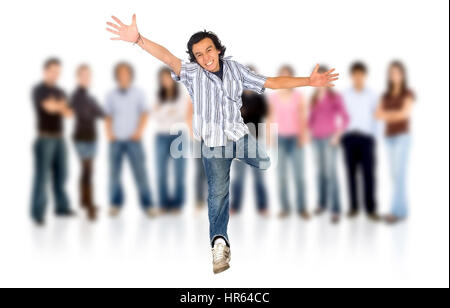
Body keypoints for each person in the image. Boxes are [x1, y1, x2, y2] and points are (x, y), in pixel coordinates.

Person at [106, 14, 338, 274]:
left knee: (264, 161)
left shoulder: (236, 69)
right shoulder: (192, 73)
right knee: (218, 195)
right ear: (194, 58)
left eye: (209, 50)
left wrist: (308, 81)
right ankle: (219, 244)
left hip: (239, 136)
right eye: (199, 54)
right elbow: (168, 57)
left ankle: (237, 156)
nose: (206, 58)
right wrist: (138, 39)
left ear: (217, 48)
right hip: (213, 146)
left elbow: (270, 83)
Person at [105, 62, 155, 217]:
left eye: (126, 73)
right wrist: (109, 133)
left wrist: (139, 132)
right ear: (117, 76)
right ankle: (115, 204)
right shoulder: (110, 95)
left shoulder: (139, 93)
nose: (123, 76)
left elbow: (145, 113)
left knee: (140, 173)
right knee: (114, 174)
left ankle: (148, 205)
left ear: (130, 75)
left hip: (134, 140)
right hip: (116, 140)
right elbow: (108, 115)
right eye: (120, 73)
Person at [30, 58, 74, 225]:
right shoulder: (39, 90)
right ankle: (38, 213)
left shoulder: (60, 91)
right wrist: (60, 106)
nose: (56, 74)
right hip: (45, 138)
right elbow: (49, 108)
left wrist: (59, 106)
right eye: (53, 71)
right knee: (42, 177)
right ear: (46, 71)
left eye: (58, 71)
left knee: (62, 174)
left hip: (60, 138)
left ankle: (61, 207)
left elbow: (69, 114)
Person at [267, 65, 310, 220]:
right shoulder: (273, 97)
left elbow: (303, 117)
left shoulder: (299, 96)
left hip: (296, 139)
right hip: (280, 139)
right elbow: (270, 118)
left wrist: (303, 136)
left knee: (299, 175)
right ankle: (284, 208)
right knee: (281, 176)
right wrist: (269, 139)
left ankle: (302, 208)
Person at [376, 61, 414, 224]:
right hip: (389, 137)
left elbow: (405, 114)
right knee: (395, 176)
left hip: (403, 137)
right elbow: (377, 115)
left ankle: (394, 212)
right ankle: (403, 210)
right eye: (391, 72)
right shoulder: (385, 95)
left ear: (403, 75)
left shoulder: (408, 93)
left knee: (399, 174)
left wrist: (388, 114)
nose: (394, 75)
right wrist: (393, 113)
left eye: (397, 72)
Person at [309, 66, 349, 224]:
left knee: (331, 173)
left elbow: (345, 118)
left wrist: (338, 135)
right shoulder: (313, 98)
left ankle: (336, 209)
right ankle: (321, 203)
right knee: (320, 173)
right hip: (316, 139)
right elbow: (311, 119)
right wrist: (309, 132)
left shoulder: (334, 97)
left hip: (330, 139)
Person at [342, 62, 380, 221]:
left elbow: (377, 117)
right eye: (355, 74)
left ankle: (371, 209)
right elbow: (340, 116)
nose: (358, 77)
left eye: (360, 74)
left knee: (369, 174)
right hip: (349, 137)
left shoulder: (372, 95)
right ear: (352, 76)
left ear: (364, 75)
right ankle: (353, 207)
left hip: (366, 138)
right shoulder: (344, 94)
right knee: (350, 174)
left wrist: (374, 136)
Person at [230, 65, 269, 217]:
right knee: (239, 177)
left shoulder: (260, 97)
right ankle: (235, 206)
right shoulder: (236, 97)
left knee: (259, 176)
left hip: (257, 141)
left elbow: (263, 114)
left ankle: (262, 206)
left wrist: (246, 112)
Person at [152, 67, 190, 214]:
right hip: (161, 136)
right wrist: (170, 111)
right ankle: (162, 204)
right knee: (160, 172)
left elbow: (182, 113)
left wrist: (164, 111)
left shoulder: (182, 94)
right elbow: (154, 115)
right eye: (162, 78)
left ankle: (177, 205)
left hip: (178, 135)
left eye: (168, 77)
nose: (165, 81)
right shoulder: (157, 95)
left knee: (179, 172)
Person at [70, 64, 104, 221]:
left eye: (88, 75)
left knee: (88, 171)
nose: (86, 78)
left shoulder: (89, 98)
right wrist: (92, 111)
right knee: (87, 170)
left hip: (92, 137)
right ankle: (89, 204)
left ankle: (84, 201)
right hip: (82, 138)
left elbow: (100, 113)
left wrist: (94, 111)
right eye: (83, 75)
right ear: (78, 77)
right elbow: (84, 114)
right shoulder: (76, 96)